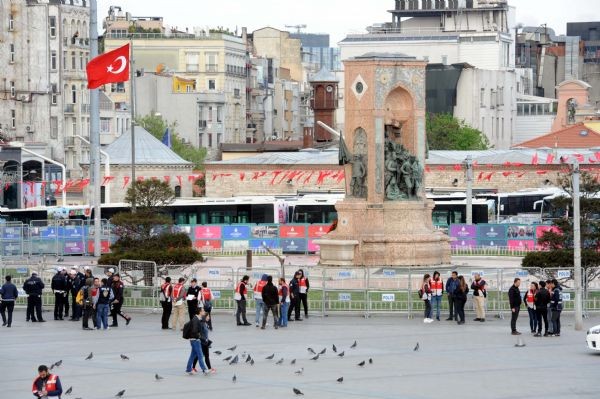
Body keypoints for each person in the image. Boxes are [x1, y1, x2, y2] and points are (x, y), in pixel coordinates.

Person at [185, 307, 209, 375]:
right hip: (195, 340)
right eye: (203, 311)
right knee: (200, 355)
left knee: (192, 355)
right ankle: (204, 369)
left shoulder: (197, 318)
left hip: (194, 340)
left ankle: (188, 369)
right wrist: (200, 337)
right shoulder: (196, 320)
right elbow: (194, 331)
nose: (204, 312)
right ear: (200, 312)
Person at [192, 308, 216, 374]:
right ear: (205, 317)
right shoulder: (202, 324)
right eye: (208, 316)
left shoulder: (205, 323)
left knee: (199, 355)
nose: (209, 317)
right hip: (202, 342)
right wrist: (205, 339)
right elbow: (200, 333)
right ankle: (208, 368)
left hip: (205, 342)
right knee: (204, 356)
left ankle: (194, 367)